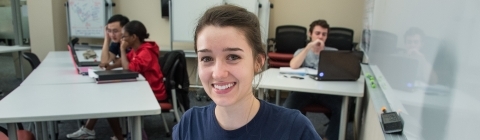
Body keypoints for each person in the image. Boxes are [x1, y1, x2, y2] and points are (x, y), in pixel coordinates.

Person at [172, 5, 321, 140]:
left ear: (258, 62)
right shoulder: (189, 124)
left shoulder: (294, 129)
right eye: (206, 58)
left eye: (233, 57)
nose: (218, 73)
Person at [67, 20, 167, 140]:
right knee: (107, 97)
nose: (122, 40)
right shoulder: (138, 49)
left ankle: (113, 135)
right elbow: (123, 61)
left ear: (134, 37)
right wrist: (111, 66)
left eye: (124, 37)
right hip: (142, 88)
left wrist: (123, 50)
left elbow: (128, 69)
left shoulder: (146, 51)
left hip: (152, 93)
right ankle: (96, 131)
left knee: (109, 101)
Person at [67, 14, 130, 140]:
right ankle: (89, 129)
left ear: (125, 30)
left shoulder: (131, 42)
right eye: (109, 31)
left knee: (106, 99)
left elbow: (127, 67)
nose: (113, 34)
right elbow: (104, 62)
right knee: (103, 95)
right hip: (127, 80)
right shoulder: (116, 43)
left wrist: (114, 62)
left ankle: (91, 130)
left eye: (116, 31)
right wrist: (106, 39)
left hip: (139, 85)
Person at [284, 19, 340, 140]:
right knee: (288, 107)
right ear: (310, 34)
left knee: (341, 109)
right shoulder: (301, 51)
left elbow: (337, 73)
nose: (320, 37)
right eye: (317, 33)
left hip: (327, 92)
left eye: (324, 34)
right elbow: (293, 65)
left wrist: (324, 53)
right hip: (304, 92)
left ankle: (329, 137)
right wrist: (308, 48)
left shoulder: (333, 53)